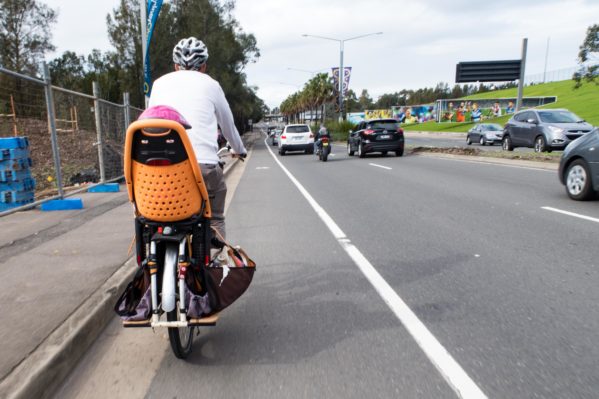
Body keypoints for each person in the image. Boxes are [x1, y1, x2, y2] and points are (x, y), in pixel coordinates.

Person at [149, 36, 247, 239]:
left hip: (158, 171)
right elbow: (228, 125)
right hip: (203, 167)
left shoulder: (158, 85)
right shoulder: (211, 85)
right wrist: (239, 149)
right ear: (203, 67)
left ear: (176, 66)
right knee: (215, 216)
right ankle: (213, 263)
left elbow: (151, 122)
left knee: (152, 219)